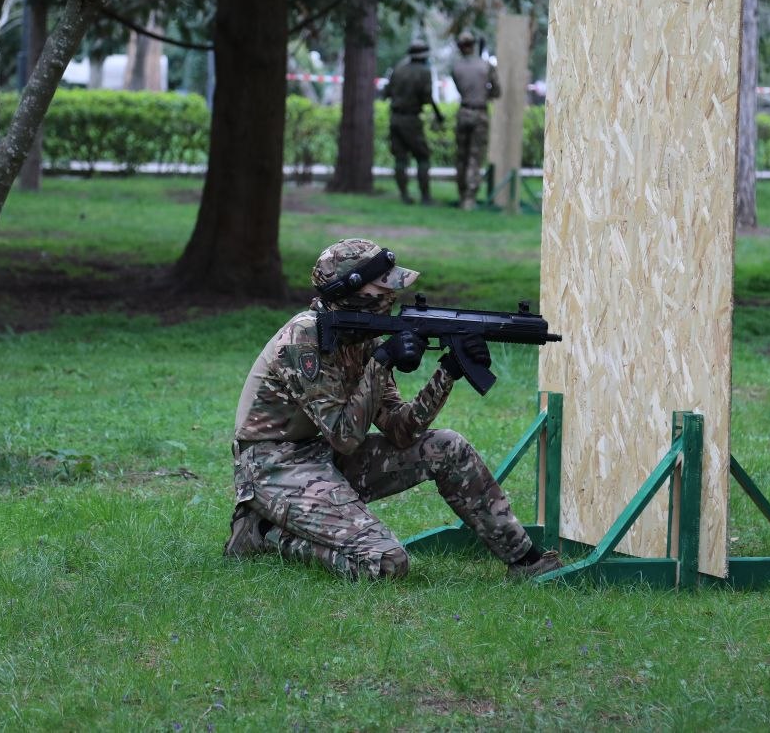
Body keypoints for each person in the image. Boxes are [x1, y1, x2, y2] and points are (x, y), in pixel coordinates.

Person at [224, 238, 563, 581]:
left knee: (446, 446)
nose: (393, 294)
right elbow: (345, 437)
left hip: (321, 456)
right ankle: (263, 534)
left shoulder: (364, 337)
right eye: (383, 285)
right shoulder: (303, 340)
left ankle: (526, 563)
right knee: (384, 562)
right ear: (352, 288)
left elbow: (401, 430)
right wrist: (381, 363)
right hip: (273, 466)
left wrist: (449, 372)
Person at [383, 41, 444, 205]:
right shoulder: (424, 72)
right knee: (423, 157)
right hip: (411, 119)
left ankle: (404, 195)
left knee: (400, 158)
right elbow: (427, 97)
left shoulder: (398, 69)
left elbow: (386, 92)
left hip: (395, 118)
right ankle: (425, 197)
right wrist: (438, 115)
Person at [450, 31, 501, 211]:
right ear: (473, 45)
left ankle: (461, 192)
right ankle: (469, 199)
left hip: (463, 111)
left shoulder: (455, 67)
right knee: (474, 156)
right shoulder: (486, 66)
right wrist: (483, 94)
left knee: (461, 155)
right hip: (480, 113)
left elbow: (460, 87)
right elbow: (497, 91)